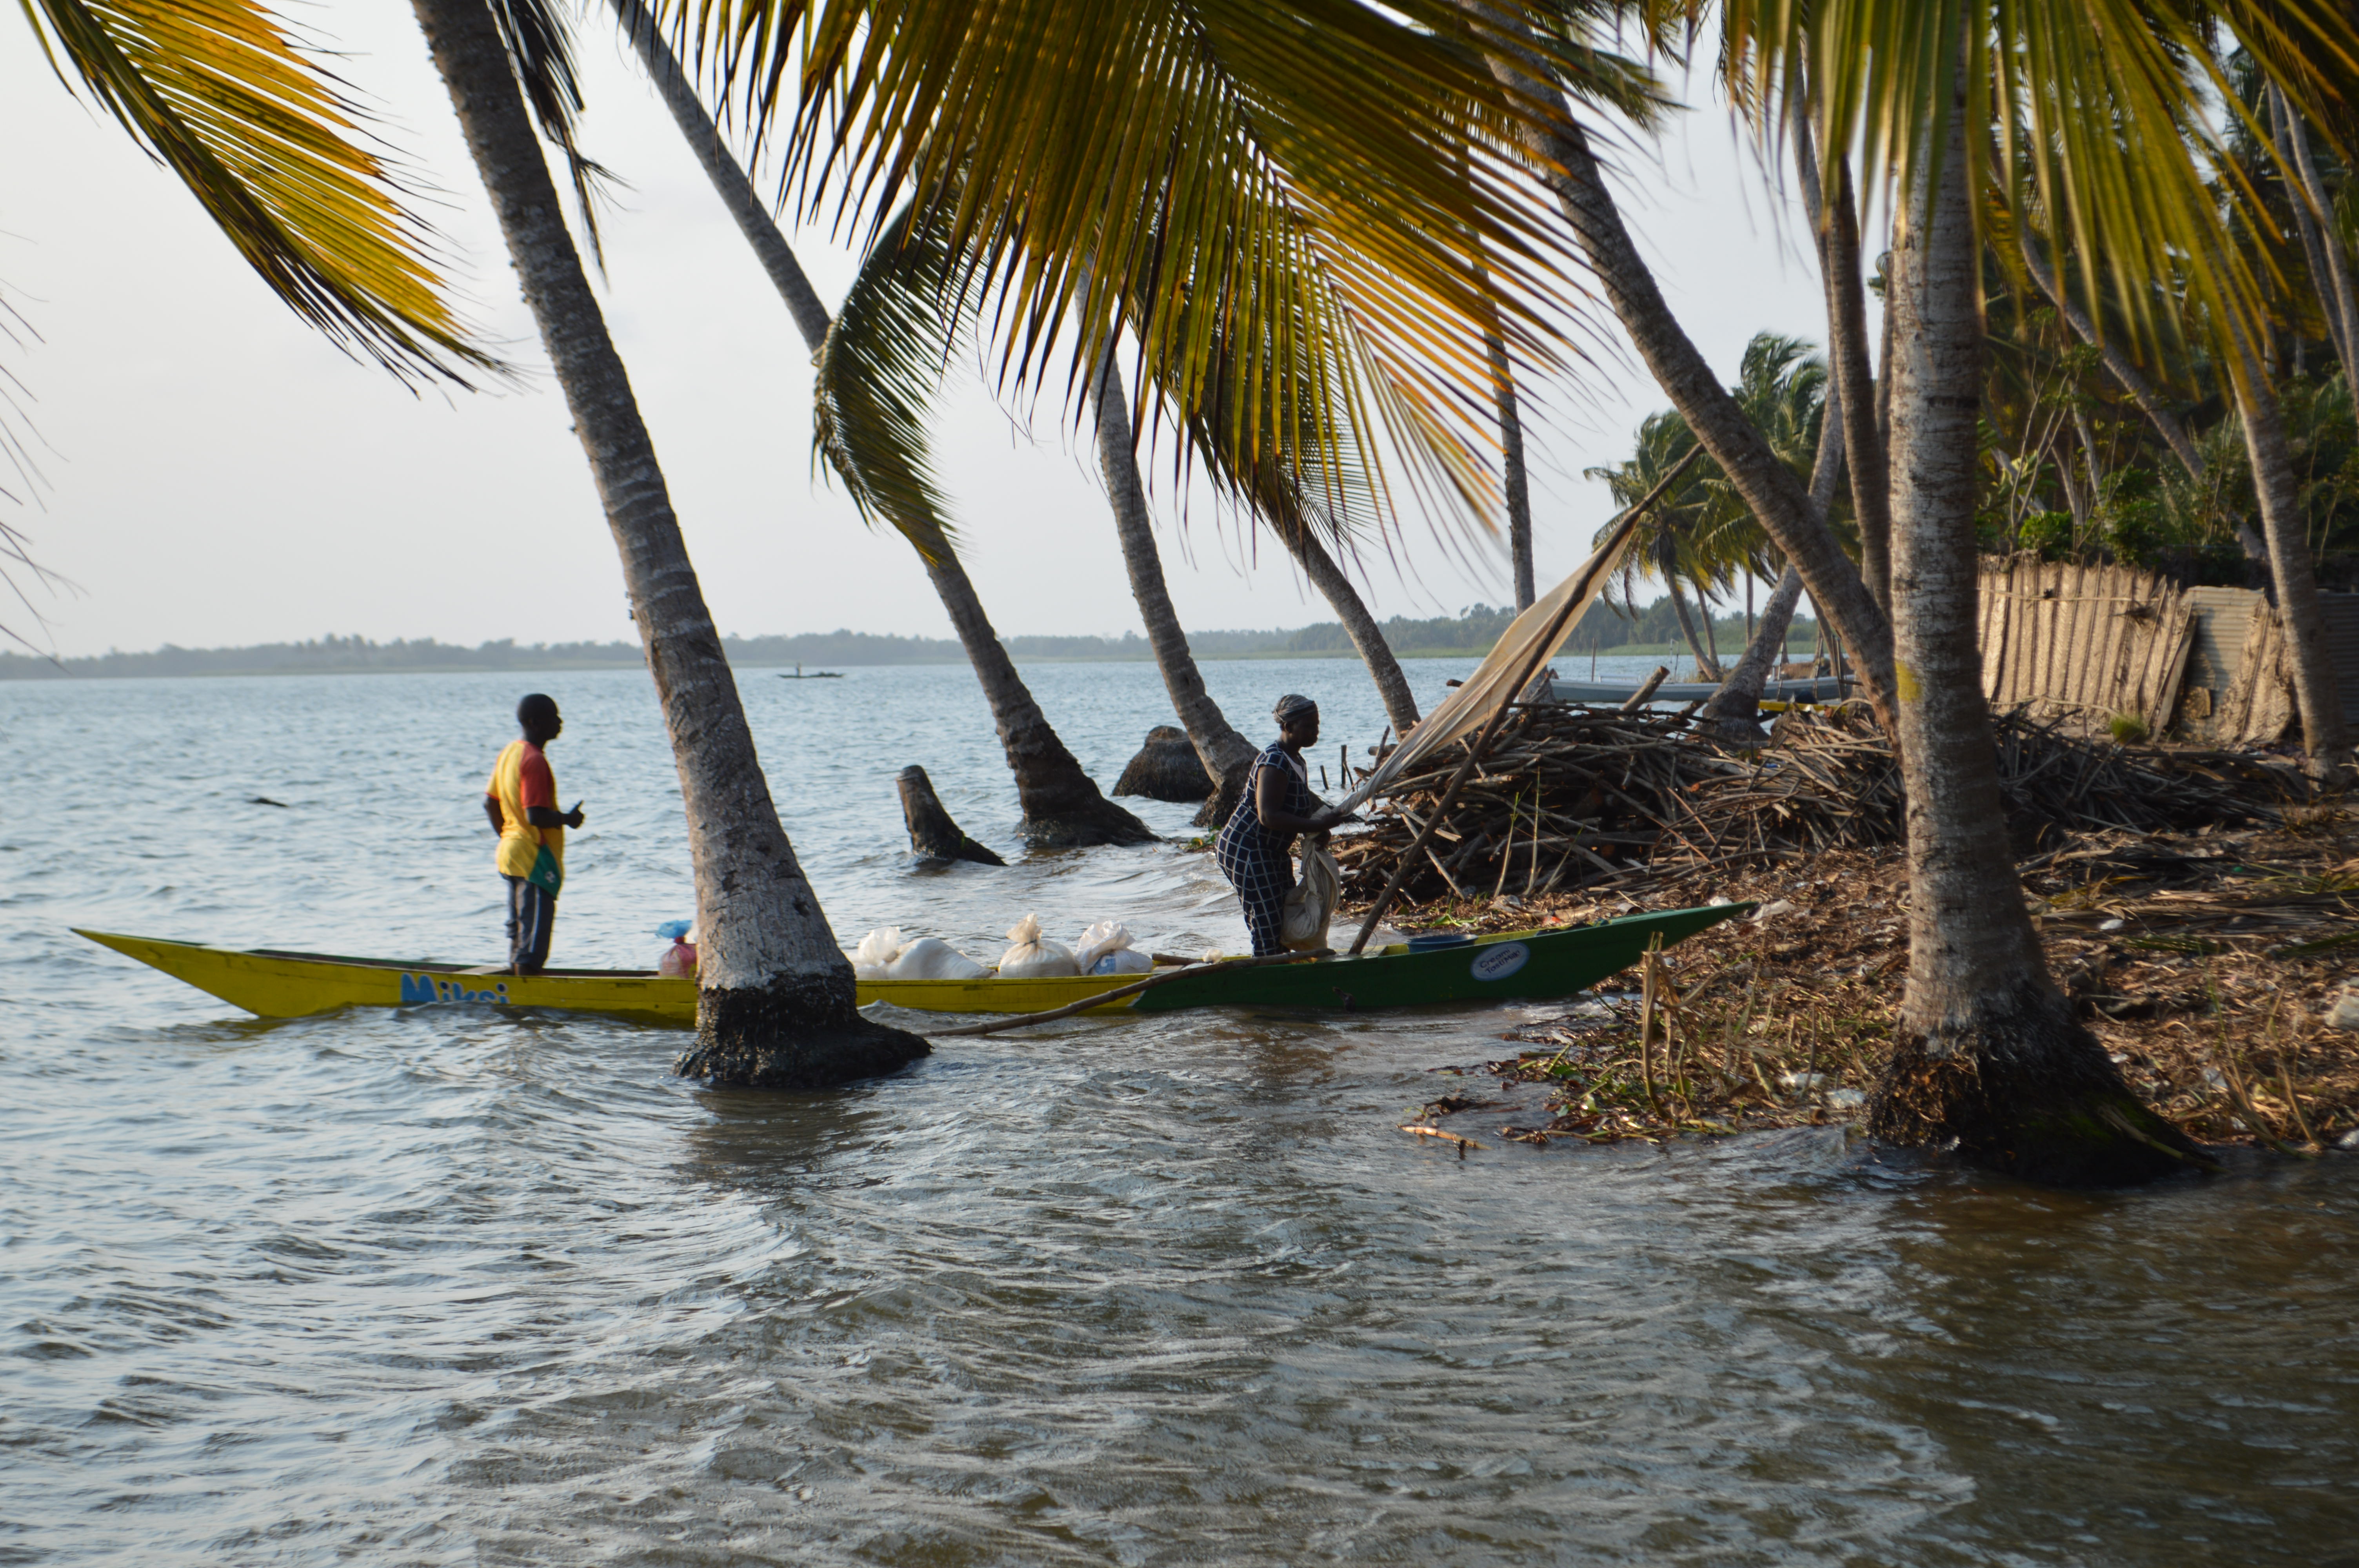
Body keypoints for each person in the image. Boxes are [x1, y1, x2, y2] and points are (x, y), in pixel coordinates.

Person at [1215, 693, 1350, 956]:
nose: (1316, 732)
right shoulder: (1274, 761)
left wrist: (1317, 829)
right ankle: (1267, 971)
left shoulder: (1297, 761)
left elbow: (1296, 809)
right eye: (1309, 727)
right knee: (1266, 919)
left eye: (1318, 725)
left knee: (1285, 910)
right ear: (1288, 728)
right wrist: (1314, 824)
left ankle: (1280, 963)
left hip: (1272, 851)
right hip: (1246, 848)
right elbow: (1269, 816)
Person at [483, 694, 585, 974]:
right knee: (533, 947)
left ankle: (518, 1009)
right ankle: (528, 1007)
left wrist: (508, 836)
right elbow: (536, 815)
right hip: (534, 857)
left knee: (520, 935)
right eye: (554, 716)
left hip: (511, 853)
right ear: (535, 723)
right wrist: (569, 819)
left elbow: (490, 802)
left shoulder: (510, 753)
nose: (560, 722)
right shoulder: (534, 760)